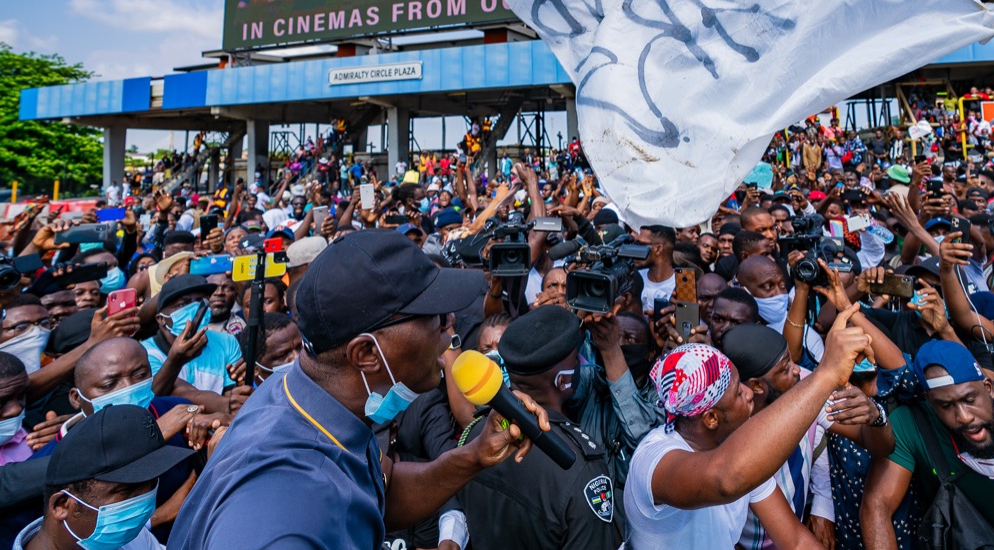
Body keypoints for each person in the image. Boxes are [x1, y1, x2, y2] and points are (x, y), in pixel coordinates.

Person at [167, 231, 552, 549]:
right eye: (433, 314)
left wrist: (473, 456)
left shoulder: (312, 399)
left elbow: (381, 491)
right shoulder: (285, 513)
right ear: (366, 352)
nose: (450, 322)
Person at [623, 305, 871, 550]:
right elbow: (725, 479)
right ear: (711, 418)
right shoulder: (654, 459)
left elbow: (796, 542)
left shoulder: (736, 451)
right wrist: (826, 374)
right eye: (738, 393)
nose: (750, 392)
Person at [861, 340, 994, 550]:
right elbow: (877, 504)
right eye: (945, 405)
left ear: (988, 388)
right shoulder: (913, 424)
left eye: (970, 399)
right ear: (930, 403)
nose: (964, 417)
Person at [456, 305, 619, 549]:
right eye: (577, 359)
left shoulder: (480, 434)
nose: (581, 364)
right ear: (562, 380)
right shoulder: (580, 467)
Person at [13, 404, 194, 550]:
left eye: (152, 483)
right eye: (126, 491)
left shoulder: (129, 538)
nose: (143, 500)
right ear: (61, 505)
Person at [634, 225, 676, 316]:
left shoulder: (682, 285)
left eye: (641, 244)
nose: (635, 249)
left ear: (658, 249)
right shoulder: (634, 279)